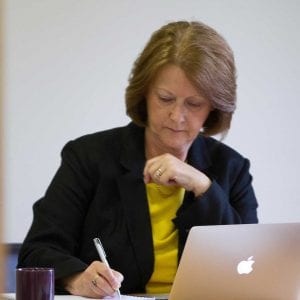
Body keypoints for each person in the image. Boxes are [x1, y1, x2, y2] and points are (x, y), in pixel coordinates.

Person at [18, 20, 258, 298]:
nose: (177, 116)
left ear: (214, 109)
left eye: (194, 104)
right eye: (166, 98)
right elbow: (37, 252)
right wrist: (77, 278)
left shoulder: (232, 168)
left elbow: (250, 265)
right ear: (144, 94)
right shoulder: (88, 157)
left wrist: (204, 187)